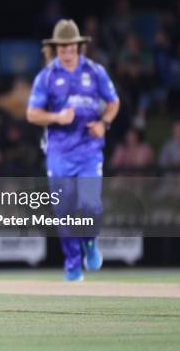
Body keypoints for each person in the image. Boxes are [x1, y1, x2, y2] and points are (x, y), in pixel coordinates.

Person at [26, 19, 120, 281]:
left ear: (79, 46)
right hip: (59, 152)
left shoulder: (95, 71)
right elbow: (32, 114)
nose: (67, 52)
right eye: (62, 48)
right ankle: (73, 266)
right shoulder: (46, 76)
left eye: (71, 47)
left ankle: (89, 241)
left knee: (90, 203)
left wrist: (104, 123)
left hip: (89, 150)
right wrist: (56, 118)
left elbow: (113, 102)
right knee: (63, 210)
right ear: (55, 48)